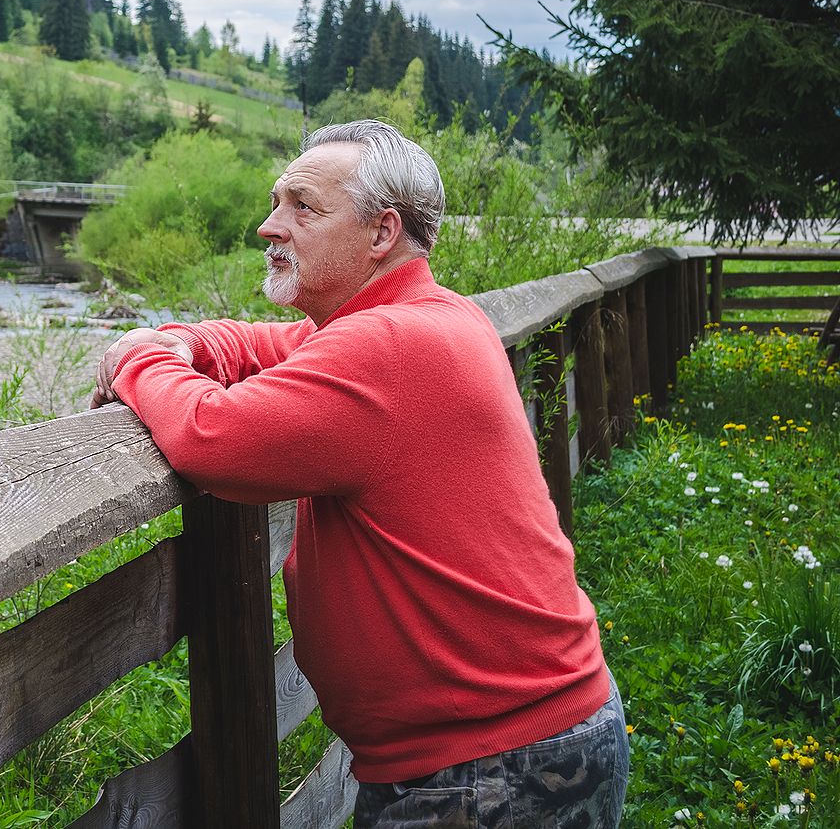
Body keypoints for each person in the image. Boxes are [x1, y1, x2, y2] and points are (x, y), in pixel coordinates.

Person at [91, 120, 627, 827]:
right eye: (276, 201)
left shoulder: (391, 344)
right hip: (502, 746)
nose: (267, 225)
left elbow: (210, 438)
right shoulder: (416, 317)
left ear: (381, 233)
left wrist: (136, 355)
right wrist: (182, 341)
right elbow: (264, 344)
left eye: (302, 207)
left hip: (495, 768)